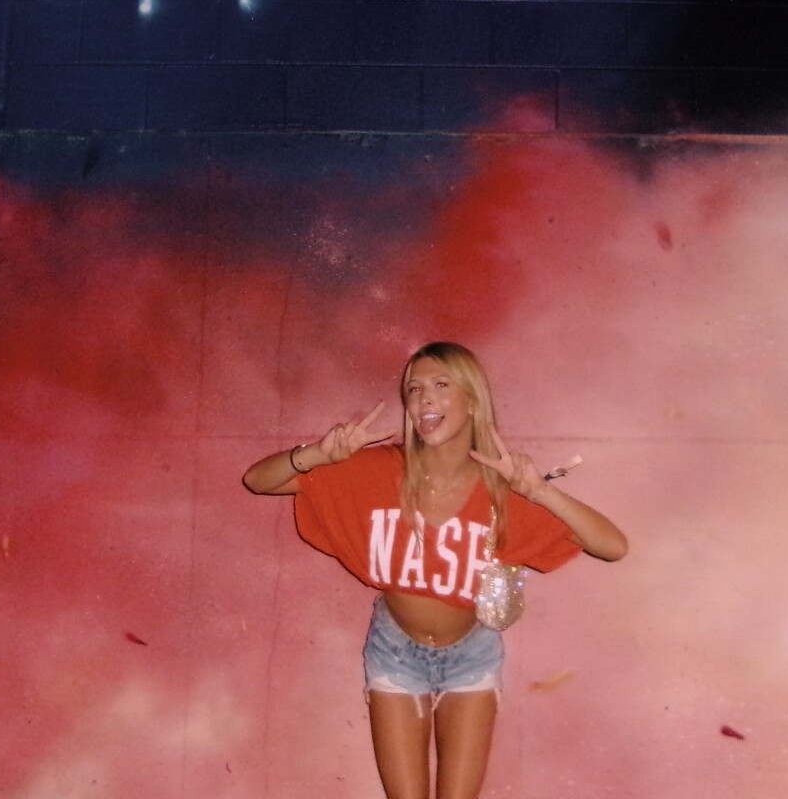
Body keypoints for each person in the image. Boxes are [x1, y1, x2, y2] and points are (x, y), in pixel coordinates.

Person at [242, 341, 628, 799]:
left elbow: (612, 546)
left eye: (441, 385)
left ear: (472, 400)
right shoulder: (379, 470)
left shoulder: (501, 487)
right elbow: (257, 480)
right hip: (394, 652)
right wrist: (317, 455)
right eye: (414, 389)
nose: (424, 398)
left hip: (472, 655)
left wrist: (542, 492)